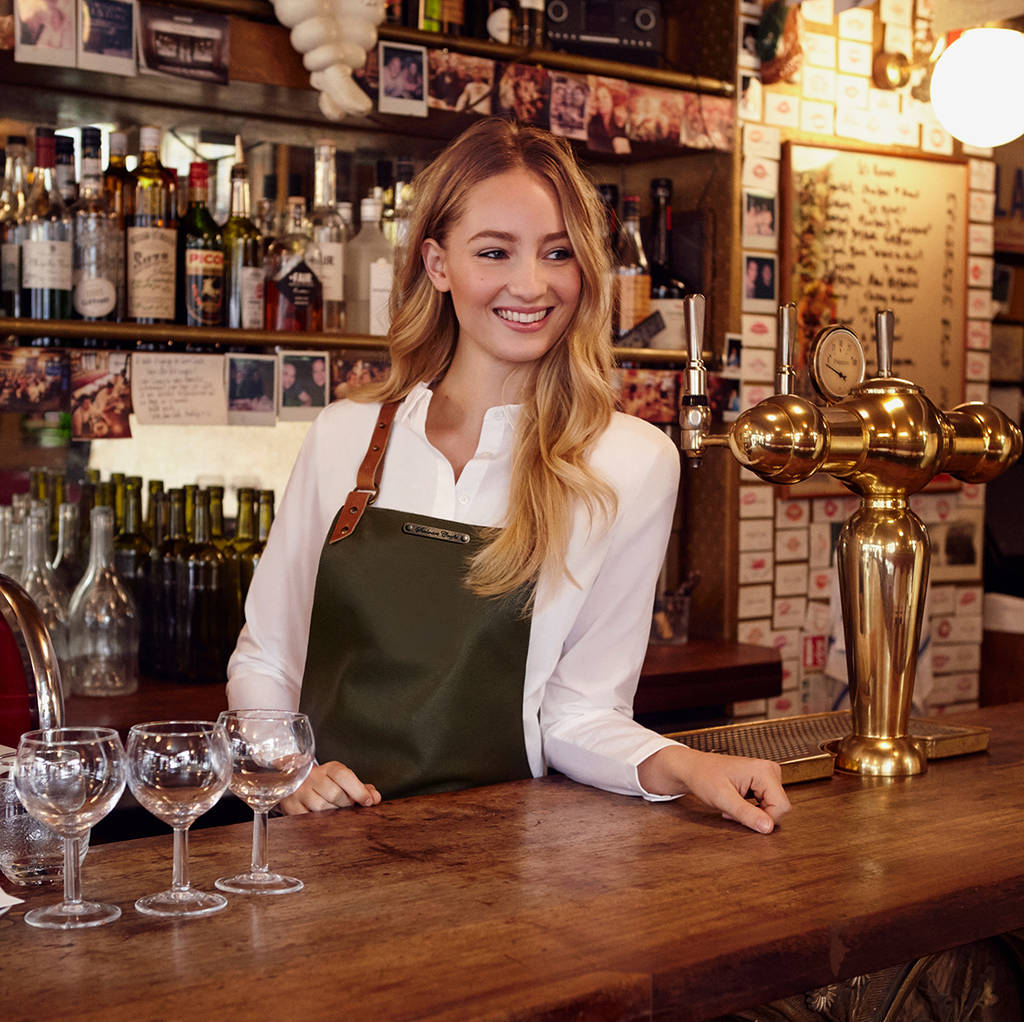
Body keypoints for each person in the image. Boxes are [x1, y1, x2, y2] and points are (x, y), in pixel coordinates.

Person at [227, 118, 789, 835]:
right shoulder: (344, 436)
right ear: (437, 264)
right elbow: (267, 657)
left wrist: (683, 766)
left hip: (498, 859)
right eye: (495, 252)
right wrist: (288, 770)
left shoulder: (630, 463)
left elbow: (577, 712)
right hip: (322, 843)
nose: (532, 285)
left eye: (558, 253)